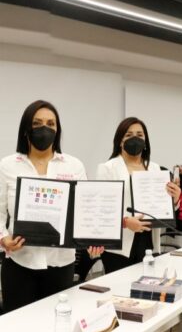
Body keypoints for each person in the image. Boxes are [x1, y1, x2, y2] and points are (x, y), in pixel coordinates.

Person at [0, 100, 104, 312]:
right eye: (37, 123)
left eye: (50, 123)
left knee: (56, 325)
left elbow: (85, 211)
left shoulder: (73, 166)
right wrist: (3, 239)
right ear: (26, 129)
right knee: (17, 327)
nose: (44, 128)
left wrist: (94, 239)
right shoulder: (7, 165)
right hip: (19, 263)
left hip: (61, 265)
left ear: (57, 130)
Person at [93, 117, 182, 275]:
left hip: (148, 239)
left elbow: (165, 208)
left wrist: (174, 199)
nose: (135, 139)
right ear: (120, 141)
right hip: (120, 244)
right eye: (129, 135)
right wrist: (126, 222)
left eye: (140, 135)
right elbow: (100, 211)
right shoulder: (107, 169)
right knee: (119, 287)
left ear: (145, 141)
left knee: (147, 284)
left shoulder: (155, 169)